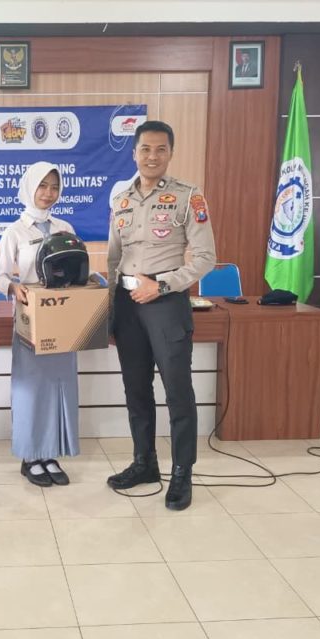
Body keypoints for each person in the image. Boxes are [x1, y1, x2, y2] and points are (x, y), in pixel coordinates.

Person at [106, 120, 216, 510]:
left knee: (177, 391)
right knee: (136, 388)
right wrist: (111, 306)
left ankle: (182, 472)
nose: (152, 156)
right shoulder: (120, 198)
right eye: (145, 149)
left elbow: (205, 258)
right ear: (134, 153)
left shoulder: (189, 196)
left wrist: (163, 285)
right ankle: (145, 463)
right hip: (128, 305)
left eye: (160, 149)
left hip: (166, 303)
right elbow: (114, 258)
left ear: (170, 153)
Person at [0, 161, 80, 487]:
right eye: (42, 186)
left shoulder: (65, 227)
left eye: (54, 187)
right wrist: (13, 288)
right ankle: (31, 456)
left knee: (59, 385)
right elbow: (0, 276)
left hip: (63, 319)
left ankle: (51, 453)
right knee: (31, 388)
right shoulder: (15, 231)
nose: (48, 193)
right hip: (31, 320)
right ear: (30, 187)